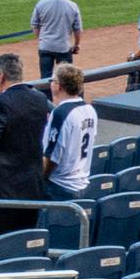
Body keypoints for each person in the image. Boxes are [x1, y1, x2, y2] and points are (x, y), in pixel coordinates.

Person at [0, 53, 50, 230]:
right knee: (23, 238)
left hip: (4, 188)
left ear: (0, 76)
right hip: (33, 185)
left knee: (0, 240)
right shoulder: (39, 98)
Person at [43, 63, 98, 196]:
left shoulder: (61, 113)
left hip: (59, 187)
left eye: (52, 81)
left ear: (58, 86)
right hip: (81, 184)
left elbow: (52, 158)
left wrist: (39, 177)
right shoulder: (89, 109)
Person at [28, 0, 83, 76]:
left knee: (45, 77)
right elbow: (77, 29)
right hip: (63, 47)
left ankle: (46, 92)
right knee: (65, 77)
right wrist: (77, 44)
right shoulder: (73, 5)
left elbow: (34, 25)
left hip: (45, 46)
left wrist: (40, 39)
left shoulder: (41, 4)